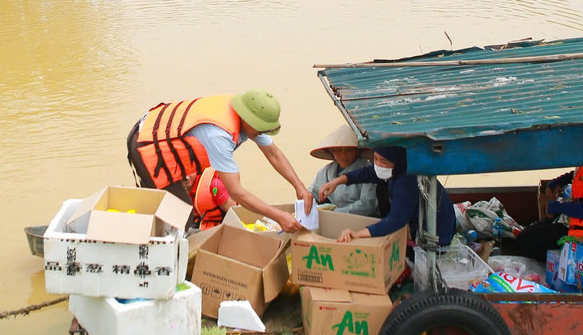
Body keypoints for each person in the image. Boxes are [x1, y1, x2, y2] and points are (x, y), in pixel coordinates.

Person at [127, 90, 313, 232]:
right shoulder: (218, 135)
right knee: (180, 215)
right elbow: (236, 191)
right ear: (247, 118)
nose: (262, 133)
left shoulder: (247, 118)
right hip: (147, 145)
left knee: (181, 212)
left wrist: (300, 187)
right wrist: (279, 217)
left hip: (167, 136)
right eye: (261, 128)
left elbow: (273, 153)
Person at [318, 145, 455, 246]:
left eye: (383, 161)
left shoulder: (406, 182)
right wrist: (337, 181)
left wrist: (357, 233)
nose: (378, 165)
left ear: (397, 162)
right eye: (375, 159)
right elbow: (368, 173)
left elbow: (395, 220)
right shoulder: (394, 171)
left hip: (437, 233)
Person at [506, 162, 583, 260]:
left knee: (525, 241)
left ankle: (561, 265)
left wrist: (557, 207)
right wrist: (560, 181)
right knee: (527, 233)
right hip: (577, 221)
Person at [307, 126, 379, 217]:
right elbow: (312, 193)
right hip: (331, 219)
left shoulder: (366, 170)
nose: (343, 155)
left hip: (360, 221)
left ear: (357, 151)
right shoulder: (325, 171)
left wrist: (336, 213)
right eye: (338, 150)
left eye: (349, 150)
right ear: (331, 151)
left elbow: (368, 204)